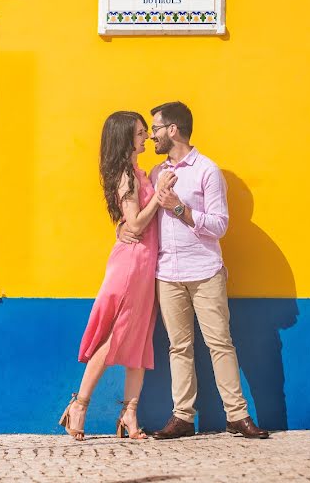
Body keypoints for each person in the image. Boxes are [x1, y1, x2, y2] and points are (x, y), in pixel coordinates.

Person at [118, 101, 269, 439]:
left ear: (173, 130)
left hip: (205, 272)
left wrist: (180, 208)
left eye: (155, 128)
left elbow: (219, 226)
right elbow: (138, 218)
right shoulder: (156, 174)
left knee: (220, 343)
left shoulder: (207, 171)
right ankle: (183, 417)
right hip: (167, 273)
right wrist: (121, 229)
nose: (152, 136)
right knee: (178, 347)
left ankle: (237, 416)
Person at [60, 111, 176, 441]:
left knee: (139, 340)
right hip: (131, 266)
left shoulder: (139, 173)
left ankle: (129, 415)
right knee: (116, 338)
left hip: (146, 265)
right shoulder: (126, 176)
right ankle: (79, 406)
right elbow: (136, 224)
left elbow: (132, 223)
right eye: (141, 133)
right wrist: (158, 194)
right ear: (126, 138)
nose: (147, 138)